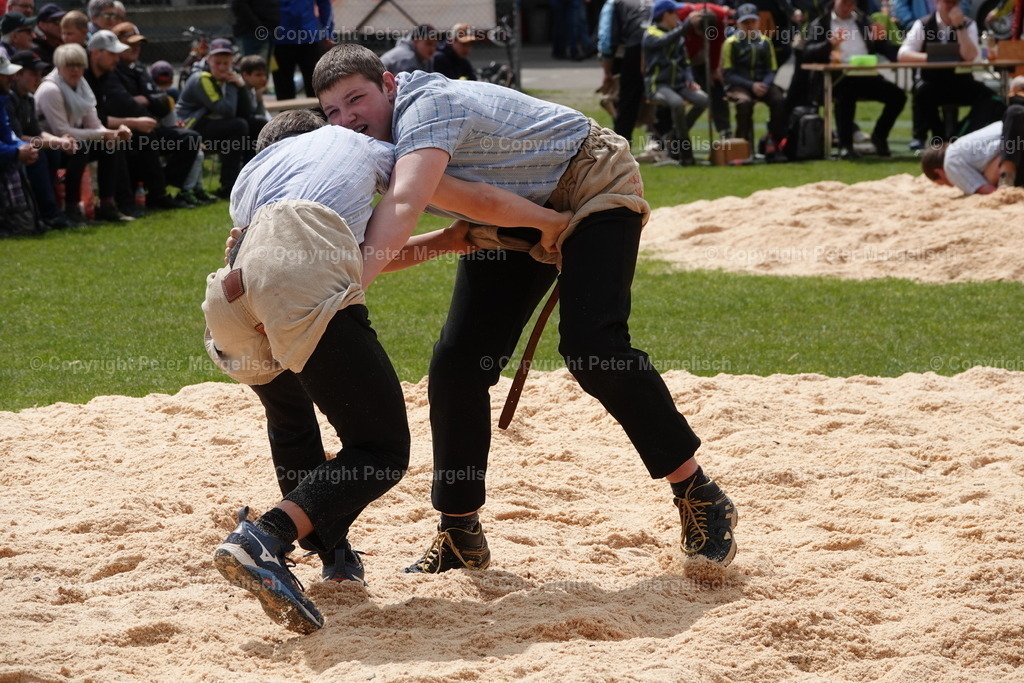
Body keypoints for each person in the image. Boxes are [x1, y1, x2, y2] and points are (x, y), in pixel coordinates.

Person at [312, 44, 739, 574]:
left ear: (389, 84)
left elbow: (403, 209)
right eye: (333, 110)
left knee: (592, 346)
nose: (347, 117)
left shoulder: (427, 106)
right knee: (458, 363)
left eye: (356, 98)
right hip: (516, 209)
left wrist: (339, 296)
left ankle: (699, 494)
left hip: (590, 179)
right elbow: (400, 236)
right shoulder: (372, 151)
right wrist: (318, 285)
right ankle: (459, 531)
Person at [207, 109, 573, 633]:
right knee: (380, 450)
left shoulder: (253, 175)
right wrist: (547, 221)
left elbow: (351, 255)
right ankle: (264, 538)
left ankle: (332, 556)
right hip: (294, 275)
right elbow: (464, 196)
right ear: (323, 132)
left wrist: (449, 240)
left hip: (228, 299)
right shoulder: (352, 144)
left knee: (291, 422)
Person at [35, 42, 133, 223]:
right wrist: (103, 134)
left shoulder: (82, 87)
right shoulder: (50, 89)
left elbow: (94, 125)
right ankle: (72, 207)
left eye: (79, 65)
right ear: (59, 67)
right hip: (47, 145)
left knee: (110, 145)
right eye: (69, 65)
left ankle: (107, 204)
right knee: (80, 149)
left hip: (70, 142)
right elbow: (61, 131)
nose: (75, 70)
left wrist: (114, 134)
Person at [104, 22, 195, 210]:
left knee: (190, 138)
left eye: (138, 44)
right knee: (146, 135)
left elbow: (164, 102)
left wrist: (145, 99)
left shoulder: (138, 68)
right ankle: (157, 194)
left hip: (149, 126)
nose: (136, 48)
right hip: (126, 130)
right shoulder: (112, 71)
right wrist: (149, 102)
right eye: (131, 44)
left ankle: (162, 188)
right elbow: (122, 105)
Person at [897, 0, 1004, 150]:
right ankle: (939, 139)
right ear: (937, 2)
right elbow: (903, 55)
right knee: (922, 94)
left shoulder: (968, 24)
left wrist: (959, 27)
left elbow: (970, 56)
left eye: (955, 3)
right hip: (932, 82)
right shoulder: (923, 24)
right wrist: (933, 57)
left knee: (991, 99)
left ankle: (962, 135)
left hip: (960, 82)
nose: (951, 7)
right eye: (947, 2)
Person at [804, 0, 905, 158]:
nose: (847, 7)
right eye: (843, 3)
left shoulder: (863, 21)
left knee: (898, 96)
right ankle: (846, 146)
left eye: (851, 4)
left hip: (866, 74)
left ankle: (879, 136)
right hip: (837, 78)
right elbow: (808, 52)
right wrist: (829, 44)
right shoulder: (821, 24)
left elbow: (883, 49)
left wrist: (880, 39)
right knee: (846, 94)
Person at [6, 48, 77, 227]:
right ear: (17, 75)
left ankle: (58, 207)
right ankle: (48, 212)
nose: (38, 79)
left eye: (40, 74)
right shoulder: (8, 99)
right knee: (40, 154)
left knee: (53, 151)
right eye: (33, 74)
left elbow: (36, 132)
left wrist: (59, 141)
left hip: (20, 148)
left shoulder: (29, 98)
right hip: (10, 150)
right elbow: (18, 138)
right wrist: (57, 142)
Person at [176, 38, 253, 198]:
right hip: (190, 128)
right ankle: (229, 185)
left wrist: (241, 86)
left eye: (226, 63)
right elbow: (227, 111)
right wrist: (232, 85)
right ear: (209, 59)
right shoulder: (201, 78)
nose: (222, 67)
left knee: (255, 123)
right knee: (238, 125)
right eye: (217, 63)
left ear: (232, 62)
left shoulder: (232, 77)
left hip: (215, 126)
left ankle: (251, 180)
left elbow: (247, 112)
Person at [643, 0, 709, 166]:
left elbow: (685, 63)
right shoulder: (651, 34)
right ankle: (685, 152)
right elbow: (664, 41)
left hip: (679, 84)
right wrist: (687, 25)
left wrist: (690, 80)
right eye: (675, 13)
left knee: (703, 99)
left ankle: (673, 136)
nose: (678, 16)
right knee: (678, 104)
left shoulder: (677, 35)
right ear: (665, 14)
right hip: (658, 85)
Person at [921, 97, 1024, 194]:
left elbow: (989, 191)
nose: (951, 186)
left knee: (990, 179)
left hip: (1015, 150)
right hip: (1015, 141)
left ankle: (1006, 178)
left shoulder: (950, 163)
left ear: (939, 172)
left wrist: (991, 182)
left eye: (943, 183)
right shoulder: (964, 149)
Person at [723, 3, 787, 156]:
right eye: (745, 22)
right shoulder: (731, 44)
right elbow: (728, 74)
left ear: (758, 22)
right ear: (738, 24)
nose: (749, 26)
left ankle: (775, 141)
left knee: (779, 100)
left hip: (763, 84)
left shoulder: (765, 42)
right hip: (740, 85)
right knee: (744, 103)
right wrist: (751, 85)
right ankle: (744, 145)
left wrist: (764, 84)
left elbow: (772, 69)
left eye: (752, 21)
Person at [0, 48, 41, 235]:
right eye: (5, 75)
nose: (11, 78)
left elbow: (7, 133)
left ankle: (18, 219)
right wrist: (16, 152)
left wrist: (23, 148)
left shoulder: (2, 99)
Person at [597, 0, 651, 144]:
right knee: (659, 99)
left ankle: (622, 147)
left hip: (633, 50)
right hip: (659, 46)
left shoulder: (614, 3)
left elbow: (606, 39)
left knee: (627, 103)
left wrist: (607, 72)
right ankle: (665, 145)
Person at [679, 2, 733, 140]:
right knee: (695, 98)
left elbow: (717, 43)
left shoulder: (720, 17)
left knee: (717, 89)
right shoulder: (682, 13)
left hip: (704, 56)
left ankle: (725, 131)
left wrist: (714, 68)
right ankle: (677, 134)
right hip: (681, 59)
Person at [273, 0, 332, 101]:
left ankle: (318, 111)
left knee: (316, 84)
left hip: (309, 38)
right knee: (284, 89)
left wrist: (327, 32)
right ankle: (286, 112)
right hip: (279, 40)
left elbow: (324, 4)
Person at [238, 54, 271, 134]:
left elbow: (261, 114)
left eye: (264, 74)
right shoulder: (238, 89)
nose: (263, 78)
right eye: (258, 75)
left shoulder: (253, 89)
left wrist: (259, 96)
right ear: (245, 75)